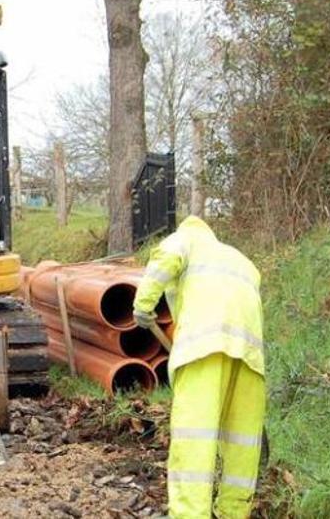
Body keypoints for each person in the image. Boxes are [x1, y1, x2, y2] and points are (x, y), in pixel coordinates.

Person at [133, 216, 266, 519]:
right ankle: (233, 512)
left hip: (202, 350)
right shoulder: (242, 260)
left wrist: (143, 304)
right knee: (242, 441)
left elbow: (165, 258)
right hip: (250, 355)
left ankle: (190, 514)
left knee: (195, 437)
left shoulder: (188, 239)